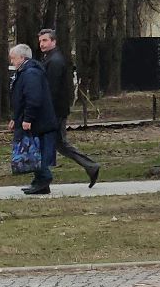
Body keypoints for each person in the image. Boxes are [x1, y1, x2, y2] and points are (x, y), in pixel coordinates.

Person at [38, 28, 100, 188]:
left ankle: (42, 179)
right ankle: (90, 166)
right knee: (60, 144)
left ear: (53, 41)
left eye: (45, 40)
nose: (42, 44)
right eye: (40, 41)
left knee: (54, 144)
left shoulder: (55, 61)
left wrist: (46, 111)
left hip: (55, 111)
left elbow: (52, 90)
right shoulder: (51, 59)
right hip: (56, 110)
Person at [8, 43, 59, 196]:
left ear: (22, 58)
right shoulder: (26, 72)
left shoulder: (30, 73)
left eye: (13, 58)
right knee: (34, 150)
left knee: (35, 150)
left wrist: (28, 118)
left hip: (38, 121)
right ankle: (40, 182)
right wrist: (15, 118)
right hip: (33, 119)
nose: (11, 61)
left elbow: (33, 98)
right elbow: (20, 99)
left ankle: (44, 178)